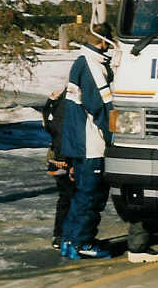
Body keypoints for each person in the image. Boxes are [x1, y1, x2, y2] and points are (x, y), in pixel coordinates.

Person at [59, 23, 115, 259]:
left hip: (78, 141)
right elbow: (103, 108)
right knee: (91, 195)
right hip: (91, 143)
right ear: (103, 40)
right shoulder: (93, 65)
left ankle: (70, 239)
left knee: (81, 194)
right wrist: (116, 138)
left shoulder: (82, 60)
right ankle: (83, 242)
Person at [42, 86, 74, 250]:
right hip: (63, 158)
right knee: (70, 197)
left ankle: (61, 235)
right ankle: (63, 235)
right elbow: (60, 129)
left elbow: (49, 124)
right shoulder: (68, 100)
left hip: (57, 155)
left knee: (66, 197)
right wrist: (62, 158)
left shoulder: (58, 99)